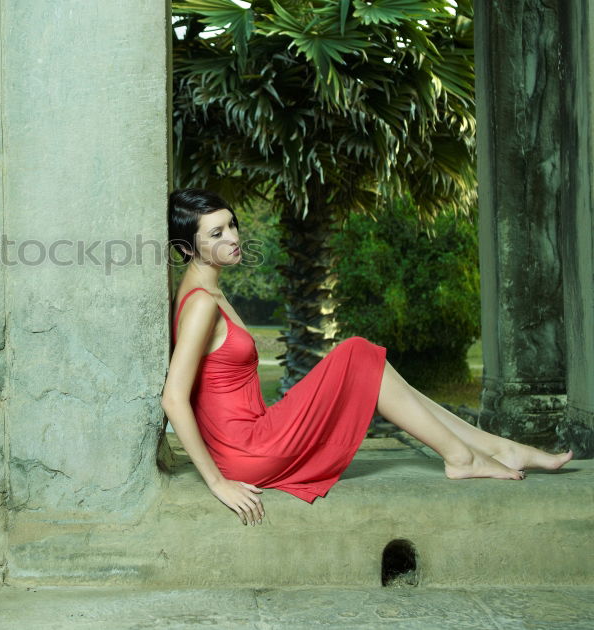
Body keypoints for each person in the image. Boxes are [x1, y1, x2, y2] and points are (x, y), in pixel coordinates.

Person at [162, 188, 574, 526]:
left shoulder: (205, 291)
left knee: (366, 363)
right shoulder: (201, 303)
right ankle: (464, 456)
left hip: (254, 433)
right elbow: (174, 397)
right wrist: (217, 483)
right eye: (215, 234)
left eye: (231, 225)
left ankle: (492, 449)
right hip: (247, 448)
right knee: (357, 353)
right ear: (187, 246)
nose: (233, 238)